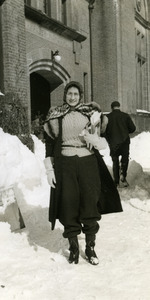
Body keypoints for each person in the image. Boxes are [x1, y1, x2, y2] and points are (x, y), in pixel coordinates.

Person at [43, 81, 123, 265]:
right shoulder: (55, 116)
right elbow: (49, 145)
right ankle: (73, 247)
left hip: (88, 164)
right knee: (68, 203)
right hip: (65, 165)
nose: (72, 97)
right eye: (69, 94)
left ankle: (90, 247)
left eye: (76, 94)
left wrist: (94, 139)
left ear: (81, 96)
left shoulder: (91, 113)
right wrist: (49, 168)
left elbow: (103, 141)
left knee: (89, 203)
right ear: (65, 95)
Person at [105, 101, 136, 188]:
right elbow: (133, 129)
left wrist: (109, 137)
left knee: (115, 162)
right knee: (125, 159)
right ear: (119, 107)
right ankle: (123, 175)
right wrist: (125, 131)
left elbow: (103, 131)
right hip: (125, 142)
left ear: (112, 107)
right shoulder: (125, 116)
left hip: (113, 143)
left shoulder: (107, 117)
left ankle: (116, 182)